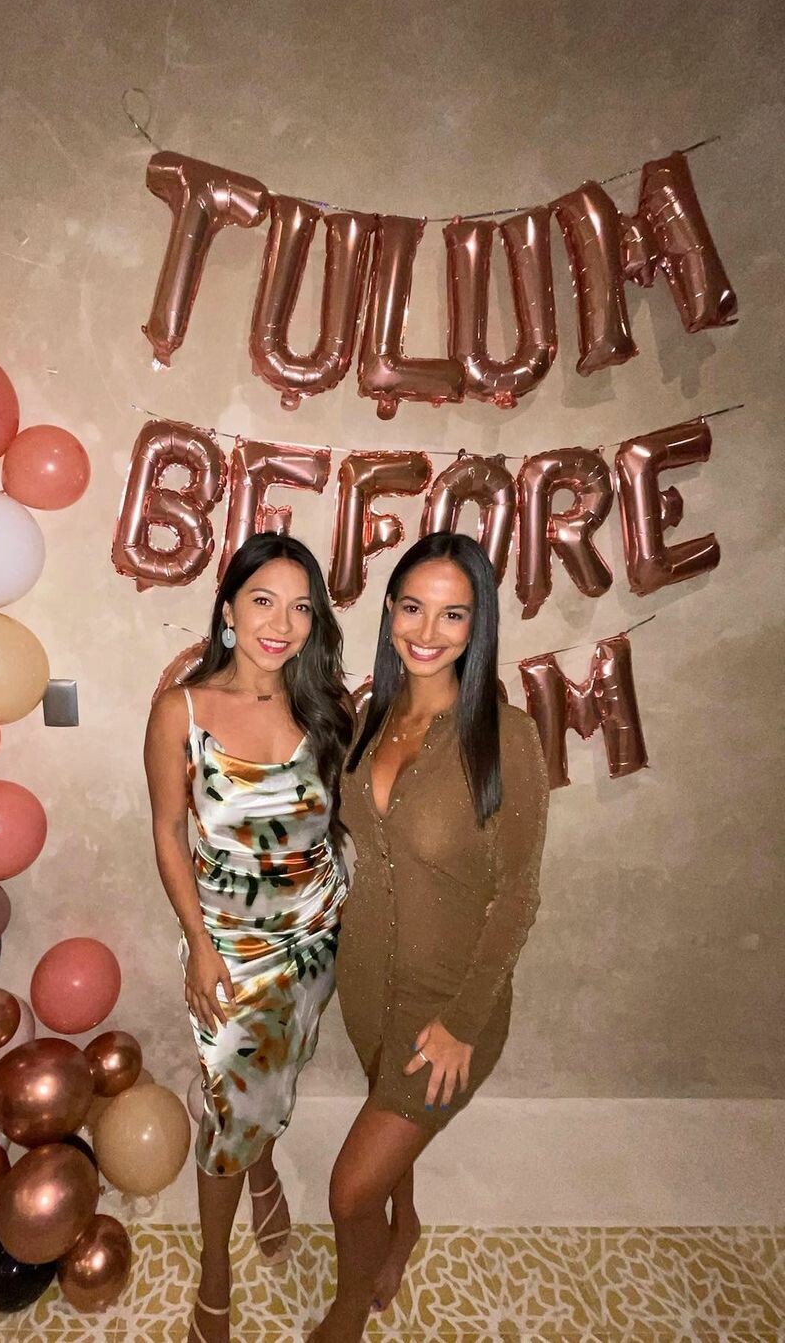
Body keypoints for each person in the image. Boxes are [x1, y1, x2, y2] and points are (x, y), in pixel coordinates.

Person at [309, 533, 550, 1342]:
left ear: (478, 625)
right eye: (413, 607)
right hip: (365, 985)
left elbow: (517, 898)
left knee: (349, 1191)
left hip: (450, 1007)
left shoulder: (505, 736)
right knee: (384, 1132)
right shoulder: (369, 718)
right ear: (389, 610)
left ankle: (348, 1311)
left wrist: (462, 1024)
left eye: (454, 614)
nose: (428, 630)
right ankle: (404, 1226)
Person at [144, 532, 355, 1343]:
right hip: (230, 949)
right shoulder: (182, 710)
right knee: (233, 1108)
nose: (282, 623)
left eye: (301, 607)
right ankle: (215, 1276)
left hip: (316, 938)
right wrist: (198, 945)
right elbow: (168, 832)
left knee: (272, 1080)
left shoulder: (325, 707)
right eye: (263, 600)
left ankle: (263, 1171)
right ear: (228, 609)